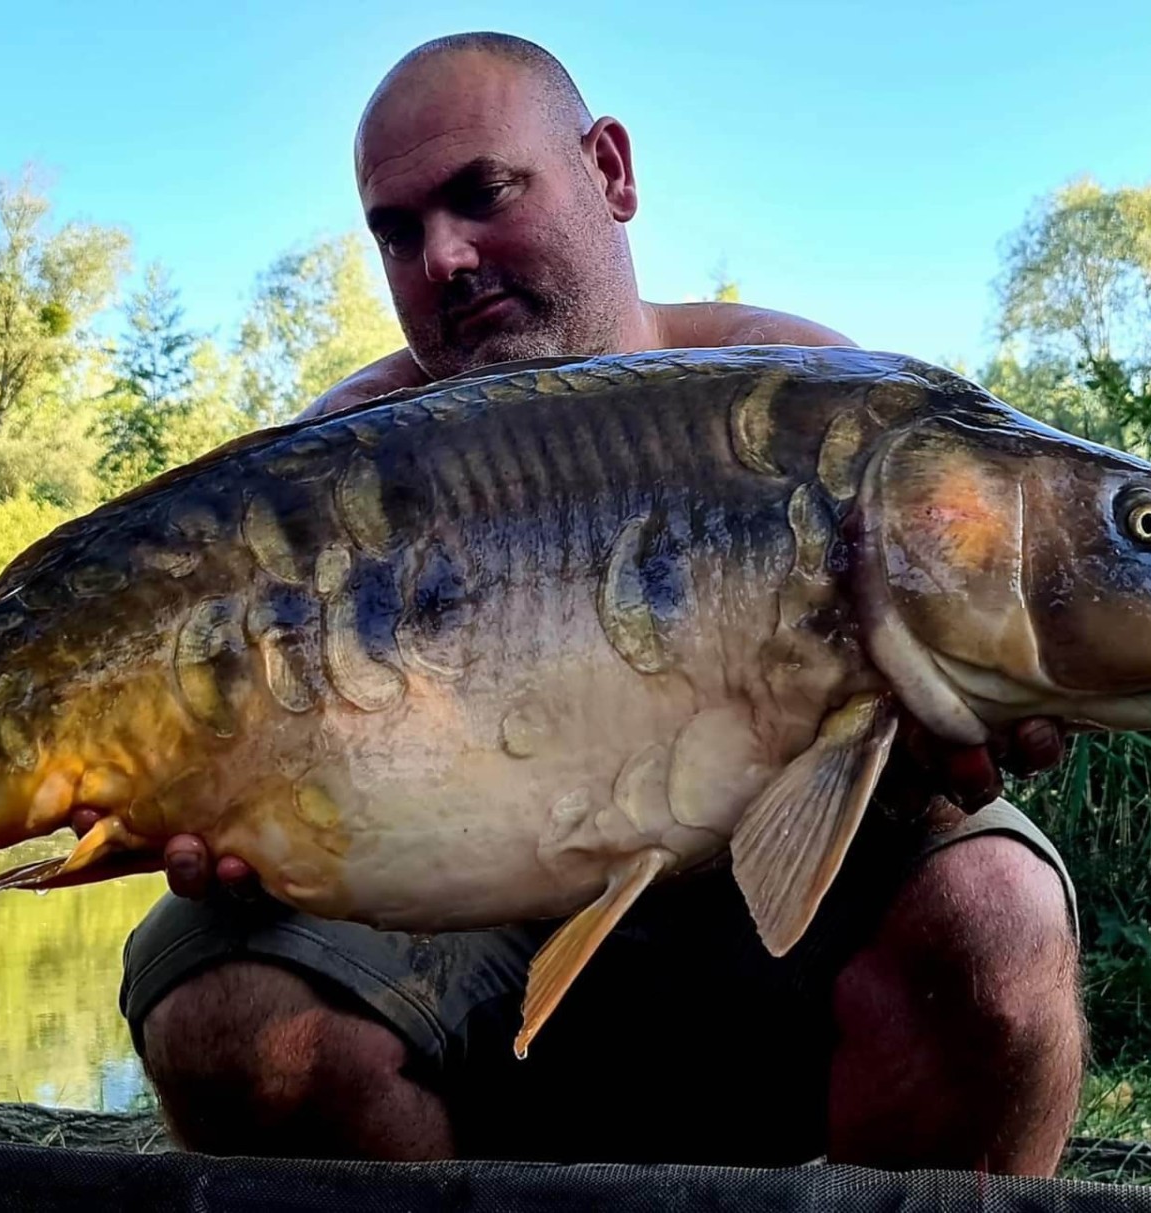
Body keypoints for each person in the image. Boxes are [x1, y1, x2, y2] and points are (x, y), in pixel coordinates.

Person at [110, 32, 1084, 1175]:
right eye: (397, 229)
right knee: (219, 995)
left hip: (740, 873)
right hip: (460, 887)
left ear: (610, 172)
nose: (445, 257)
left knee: (996, 918)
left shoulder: (809, 396)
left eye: (482, 193)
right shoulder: (345, 458)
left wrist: (951, 716)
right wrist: (220, 801)